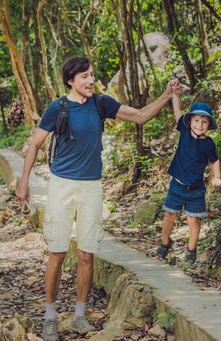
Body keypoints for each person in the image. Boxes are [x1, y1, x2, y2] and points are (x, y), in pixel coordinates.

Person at [16, 56, 182, 341]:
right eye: (84, 77)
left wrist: (167, 95)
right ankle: (50, 316)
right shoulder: (58, 108)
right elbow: (35, 144)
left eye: (92, 75)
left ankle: (79, 315)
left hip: (92, 186)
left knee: (86, 253)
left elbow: (140, 116)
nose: (91, 81)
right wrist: (24, 181)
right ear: (71, 81)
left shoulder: (101, 103)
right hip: (62, 185)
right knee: (57, 252)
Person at [156, 93, 221, 265]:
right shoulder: (184, 131)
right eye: (196, 120)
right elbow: (177, 111)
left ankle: (191, 250)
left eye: (204, 121)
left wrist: (217, 177)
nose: (200, 125)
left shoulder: (208, 143)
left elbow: (214, 160)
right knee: (170, 215)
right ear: (190, 121)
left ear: (209, 124)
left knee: (193, 219)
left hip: (196, 189)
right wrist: (175, 95)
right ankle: (165, 243)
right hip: (177, 186)